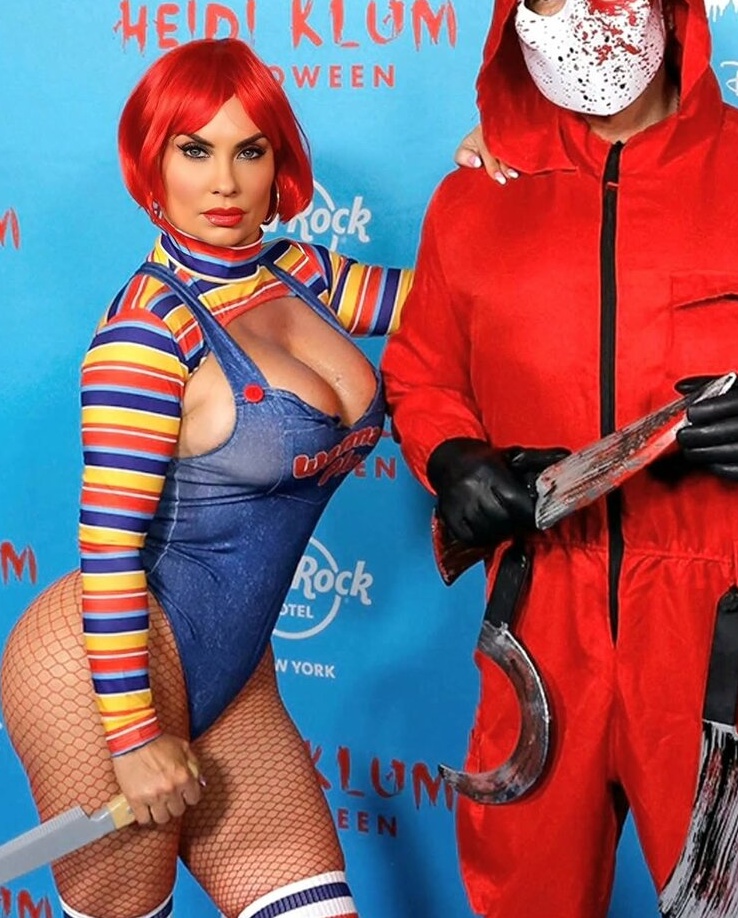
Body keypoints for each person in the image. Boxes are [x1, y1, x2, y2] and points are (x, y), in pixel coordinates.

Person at [381, 0, 738, 916]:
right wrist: (453, 457)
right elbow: (421, 372)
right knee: (524, 900)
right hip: (539, 622)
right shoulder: (474, 198)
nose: (579, 19)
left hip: (729, 636)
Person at [0, 37, 418, 918]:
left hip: (233, 672)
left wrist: (504, 167)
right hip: (103, 671)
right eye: (194, 151)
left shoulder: (301, 272)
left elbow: (454, 299)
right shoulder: (146, 337)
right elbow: (110, 551)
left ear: (278, 163)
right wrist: (131, 737)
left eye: (248, 151)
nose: (224, 182)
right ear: (152, 164)